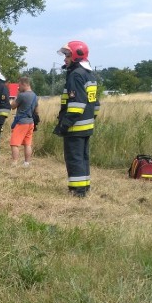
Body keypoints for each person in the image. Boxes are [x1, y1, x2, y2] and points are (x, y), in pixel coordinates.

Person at [55, 40, 99, 197]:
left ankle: (77, 191)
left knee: (74, 158)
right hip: (86, 126)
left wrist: (64, 125)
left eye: (67, 55)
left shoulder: (75, 75)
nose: (64, 59)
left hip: (75, 126)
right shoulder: (89, 75)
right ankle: (84, 187)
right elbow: (96, 104)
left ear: (75, 56)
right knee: (83, 158)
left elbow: (76, 106)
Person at [9, 76, 38, 167]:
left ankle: (14, 162)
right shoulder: (35, 96)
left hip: (21, 122)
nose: (18, 87)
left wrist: (17, 94)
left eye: (19, 85)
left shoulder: (22, 95)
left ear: (24, 84)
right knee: (27, 144)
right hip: (31, 122)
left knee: (14, 143)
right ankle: (26, 163)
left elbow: (13, 106)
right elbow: (36, 111)